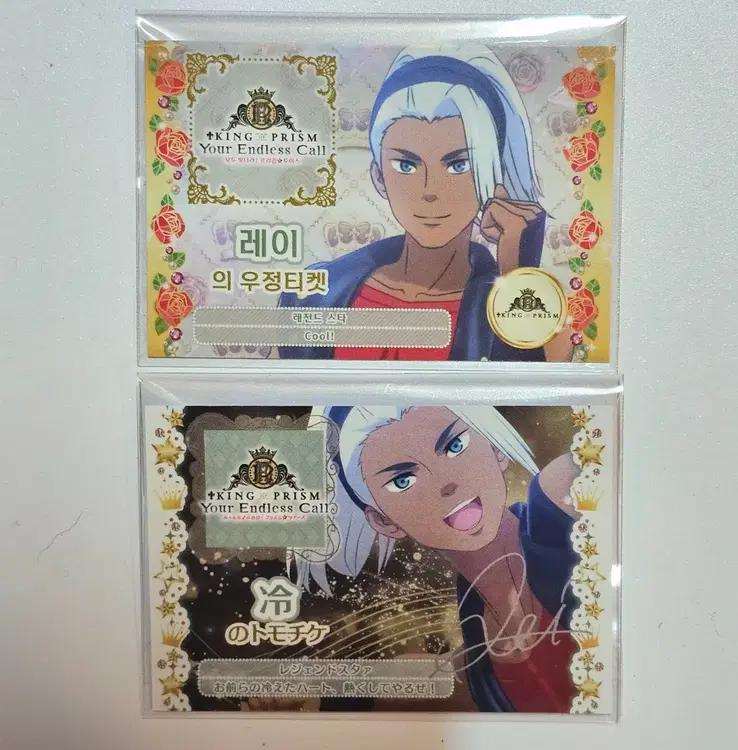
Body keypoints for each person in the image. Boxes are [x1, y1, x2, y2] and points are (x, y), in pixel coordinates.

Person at [279, 46, 571, 361]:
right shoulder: (314, 295)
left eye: (458, 165)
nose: (430, 191)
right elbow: (275, 390)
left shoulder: (546, 319)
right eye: (406, 165)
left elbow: (531, 391)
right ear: (379, 177)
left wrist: (518, 272)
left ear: (490, 176)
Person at [295, 405, 581, 712]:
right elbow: (409, 679)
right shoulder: (476, 649)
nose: (446, 483)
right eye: (403, 480)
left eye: (455, 446)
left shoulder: (557, 498)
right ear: (384, 521)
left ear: (496, 449)